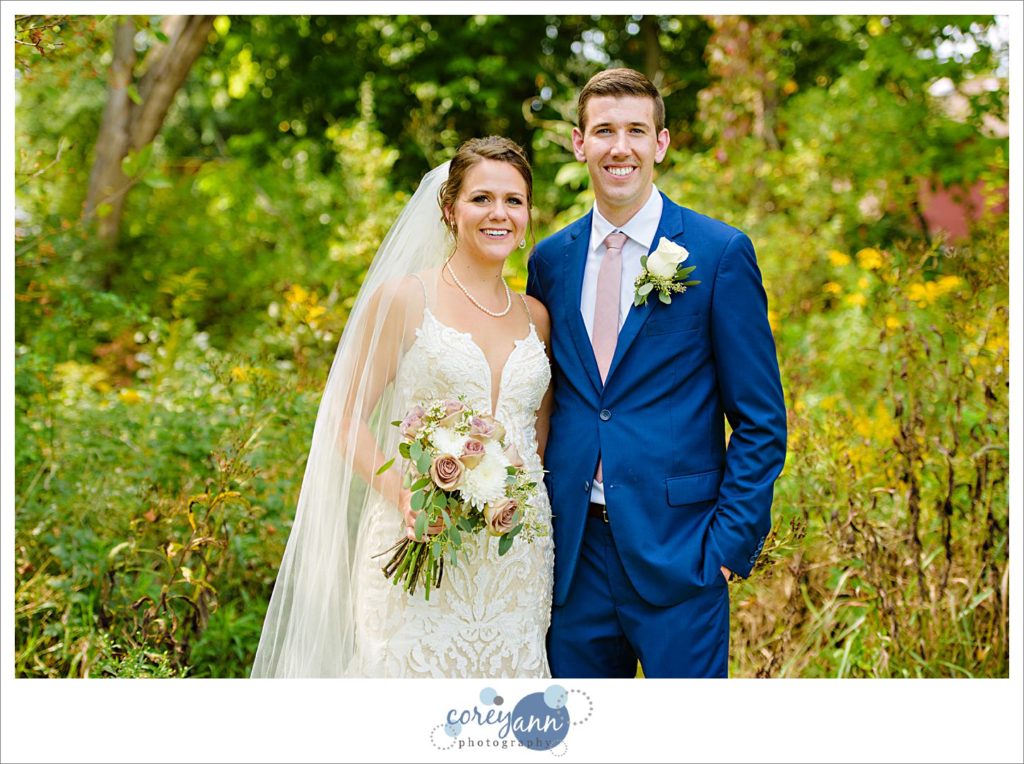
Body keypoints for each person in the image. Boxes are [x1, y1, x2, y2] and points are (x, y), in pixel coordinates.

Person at [252, 136, 554, 678]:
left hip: (515, 559)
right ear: (449, 208)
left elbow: (537, 430)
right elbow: (343, 418)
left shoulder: (536, 317)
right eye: (481, 198)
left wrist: (512, 497)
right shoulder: (405, 299)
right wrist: (405, 496)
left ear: (529, 213)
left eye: (514, 201)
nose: (499, 213)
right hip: (419, 539)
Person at [527, 68, 787, 678]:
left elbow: (760, 419)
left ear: (660, 144)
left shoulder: (718, 253)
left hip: (683, 553)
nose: (621, 147)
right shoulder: (550, 260)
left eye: (636, 131)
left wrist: (726, 548)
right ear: (578, 142)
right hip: (573, 558)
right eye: (604, 131)